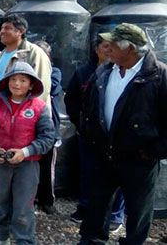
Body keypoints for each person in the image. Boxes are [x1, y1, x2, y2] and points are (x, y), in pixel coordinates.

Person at [78, 23, 167, 245]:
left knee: (138, 209)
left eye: (113, 45)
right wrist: (90, 134)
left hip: (140, 157)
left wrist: (155, 151)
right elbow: (88, 106)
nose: (107, 49)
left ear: (130, 48)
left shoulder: (159, 75)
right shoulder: (105, 70)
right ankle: (91, 240)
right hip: (105, 152)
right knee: (97, 203)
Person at [0, 61, 55, 245]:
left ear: (31, 84)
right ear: (6, 82)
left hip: (27, 165)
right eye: (13, 79)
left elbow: (48, 138)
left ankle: (24, 239)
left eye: (23, 80)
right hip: (0, 162)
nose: (17, 84)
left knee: (24, 205)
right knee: (1, 202)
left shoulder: (39, 107)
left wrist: (25, 151)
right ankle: (0, 235)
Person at [66, 36, 125, 230]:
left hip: (115, 136)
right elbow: (72, 99)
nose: (109, 50)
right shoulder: (84, 72)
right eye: (106, 46)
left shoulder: (122, 72)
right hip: (89, 133)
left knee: (117, 175)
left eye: (113, 47)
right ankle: (85, 207)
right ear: (96, 49)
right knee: (88, 170)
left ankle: (116, 214)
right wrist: (81, 123)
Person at [0, 14, 51, 107]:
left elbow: (42, 87)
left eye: (7, 28)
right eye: (2, 28)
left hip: (24, 113)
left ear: (20, 31)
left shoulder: (34, 53)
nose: (2, 31)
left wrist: (31, 113)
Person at [33, 40, 63, 215]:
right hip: (29, 125)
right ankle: (33, 198)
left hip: (49, 125)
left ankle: (47, 200)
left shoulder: (55, 71)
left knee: (47, 164)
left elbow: (49, 88)